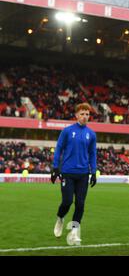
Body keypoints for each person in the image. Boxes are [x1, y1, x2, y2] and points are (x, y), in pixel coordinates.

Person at [51, 103, 97, 246]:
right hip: (67, 172)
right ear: (76, 115)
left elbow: (92, 154)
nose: (85, 117)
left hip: (83, 174)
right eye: (82, 114)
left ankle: (74, 231)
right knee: (67, 201)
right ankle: (60, 219)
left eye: (87, 114)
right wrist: (55, 168)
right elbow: (59, 148)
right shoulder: (67, 131)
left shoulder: (91, 134)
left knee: (80, 204)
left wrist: (94, 171)